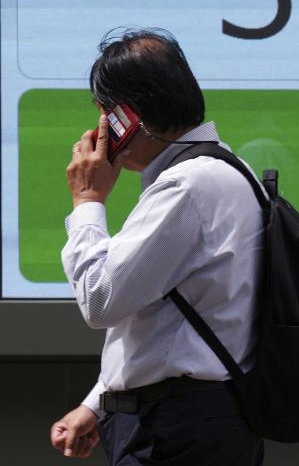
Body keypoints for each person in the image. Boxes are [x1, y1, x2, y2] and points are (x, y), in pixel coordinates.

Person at [49, 28, 265, 465]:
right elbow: (163, 322)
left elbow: (100, 301)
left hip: (176, 432)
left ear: (129, 118)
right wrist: (98, 405)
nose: (100, 130)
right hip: (195, 422)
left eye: (106, 115)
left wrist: (88, 202)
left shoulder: (188, 185)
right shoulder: (226, 169)